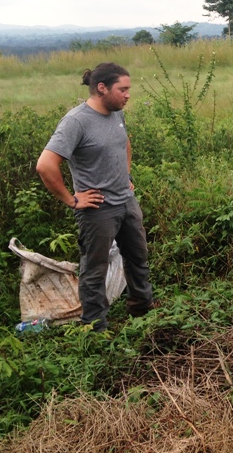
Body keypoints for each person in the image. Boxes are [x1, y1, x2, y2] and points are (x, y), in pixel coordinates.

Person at [36, 62, 154, 331]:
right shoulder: (76, 121)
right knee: (95, 270)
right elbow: (45, 165)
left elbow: (124, 143)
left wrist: (127, 177)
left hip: (126, 201)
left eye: (128, 89)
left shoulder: (116, 114)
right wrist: (72, 200)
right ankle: (96, 329)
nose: (128, 95)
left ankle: (142, 310)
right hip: (98, 210)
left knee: (138, 258)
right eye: (122, 89)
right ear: (102, 88)